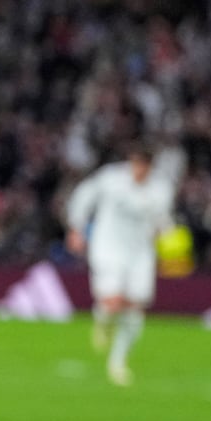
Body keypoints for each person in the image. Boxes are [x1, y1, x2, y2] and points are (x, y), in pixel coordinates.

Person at [64, 143, 182, 386]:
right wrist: (76, 227)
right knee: (113, 302)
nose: (140, 170)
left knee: (135, 308)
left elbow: (162, 221)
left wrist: (167, 239)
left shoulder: (161, 189)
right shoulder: (111, 179)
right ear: (131, 161)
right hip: (108, 248)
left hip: (140, 253)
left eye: (145, 165)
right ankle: (103, 320)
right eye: (137, 163)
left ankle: (118, 362)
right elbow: (84, 196)